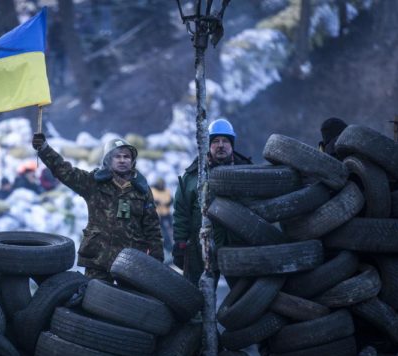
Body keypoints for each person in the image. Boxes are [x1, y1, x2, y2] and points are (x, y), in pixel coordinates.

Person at [33, 133, 163, 282]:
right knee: (93, 301)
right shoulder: (93, 183)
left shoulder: (142, 190)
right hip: (98, 260)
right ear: (108, 160)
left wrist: (156, 262)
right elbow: (64, 171)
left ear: (132, 161)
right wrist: (44, 149)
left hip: (130, 263)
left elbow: (153, 228)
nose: (122, 160)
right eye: (117, 156)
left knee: (129, 303)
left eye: (126, 157)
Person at [172, 118, 251, 285]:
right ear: (208, 145)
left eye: (225, 141)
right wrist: (180, 243)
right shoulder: (193, 175)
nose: (220, 145)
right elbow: (181, 212)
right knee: (198, 298)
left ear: (232, 144)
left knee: (246, 298)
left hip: (237, 246)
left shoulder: (248, 172)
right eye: (215, 141)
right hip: (201, 247)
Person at [150, 177, 173, 258]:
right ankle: (167, 248)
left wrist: (168, 203)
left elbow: (171, 200)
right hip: (158, 215)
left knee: (171, 230)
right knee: (163, 232)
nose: (161, 186)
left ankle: (172, 247)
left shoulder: (166, 190)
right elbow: (151, 200)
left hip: (167, 214)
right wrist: (156, 202)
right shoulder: (153, 190)